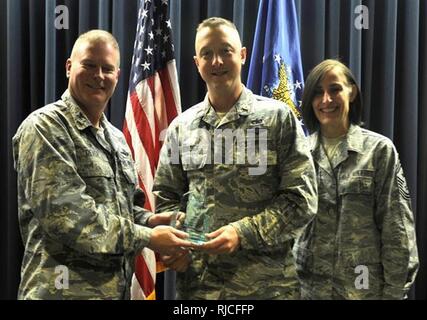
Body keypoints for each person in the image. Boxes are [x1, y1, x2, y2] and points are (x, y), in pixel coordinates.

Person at [12, 30, 193, 300]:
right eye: (89, 65)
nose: (98, 76)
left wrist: (154, 220)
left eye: (107, 69)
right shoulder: (44, 128)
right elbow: (69, 217)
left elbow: (123, 209)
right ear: (69, 67)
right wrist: (148, 237)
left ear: (117, 76)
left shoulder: (117, 140)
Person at [152, 17, 318, 299]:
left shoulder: (277, 119)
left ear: (242, 55)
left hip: (267, 287)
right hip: (199, 289)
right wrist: (179, 244)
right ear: (196, 62)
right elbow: (166, 196)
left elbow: (301, 199)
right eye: (207, 53)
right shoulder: (181, 127)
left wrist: (243, 233)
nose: (217, 61)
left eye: (226, 51)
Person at [295, 59, 419, 299]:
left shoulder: (379, 151)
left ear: (351, 92)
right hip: (308, 291)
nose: (326, 100)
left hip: (362, 292)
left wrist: (394, 293)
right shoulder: (299, 154)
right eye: (318, 93)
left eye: (335, 89)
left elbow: (397, 231)